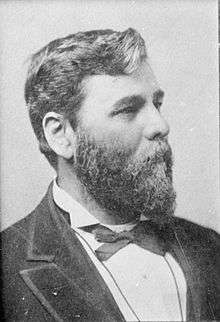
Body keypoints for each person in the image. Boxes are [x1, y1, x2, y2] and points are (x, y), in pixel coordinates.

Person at [1, 28, 219, 322]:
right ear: (61, 135)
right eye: (128, 110)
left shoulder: (210, 247)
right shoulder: (7, 267)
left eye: (157, 104)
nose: (161, 125)